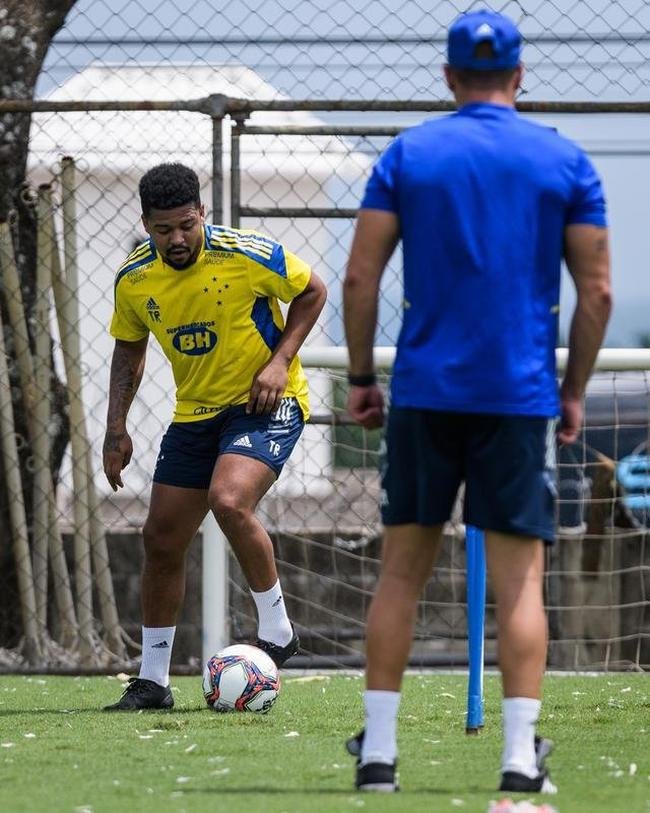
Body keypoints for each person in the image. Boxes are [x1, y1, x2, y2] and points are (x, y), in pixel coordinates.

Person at [342, 8, 611, 794]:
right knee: (520, 582)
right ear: (520, 75)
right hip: (519, 396)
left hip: (425, 393)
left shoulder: (409, 153)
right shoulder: (564, 161)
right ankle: (520, 759)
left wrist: (361, 376)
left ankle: (380, 757)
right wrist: (572, 391)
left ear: (450, 77)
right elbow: (596, 291)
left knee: (400, 575)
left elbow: (359, 277)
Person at [102, 162, 326, 711]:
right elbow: (129, 348)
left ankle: (276, 629)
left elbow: (313, 292)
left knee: (229, 499)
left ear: (202, 212)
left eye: (186, 225)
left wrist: (278, 363)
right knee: (160, 539)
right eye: (163, 230)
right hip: (195, 414)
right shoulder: (134, 279)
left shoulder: (248, 254)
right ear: (146, 224)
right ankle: (153, 681)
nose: (176, 239)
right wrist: (115, 429)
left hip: (265, 404)